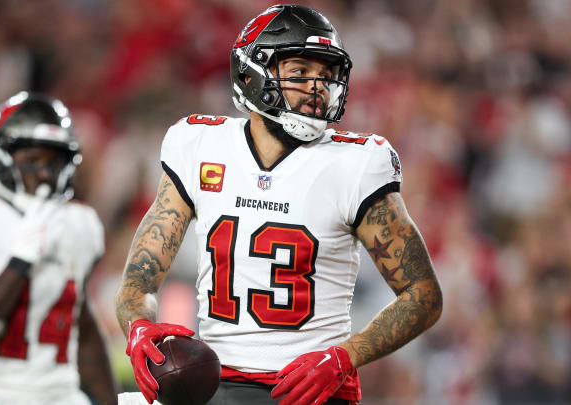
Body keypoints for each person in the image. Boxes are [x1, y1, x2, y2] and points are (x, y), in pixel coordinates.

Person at [115, 4, 442, 405]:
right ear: (253, 74)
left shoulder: (355, 164)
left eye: (326, 75)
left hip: (310, 391)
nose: (317, 88)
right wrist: (137, 326)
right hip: (214, 383)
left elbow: (423, 294)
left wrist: (344, 357)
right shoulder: (199, 145)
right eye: (300, 72)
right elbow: (140, 277)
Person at [0, 92, 118, 405]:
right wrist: (21, 259)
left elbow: (82, 331)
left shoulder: (79, 225)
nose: (43, 174)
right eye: (32, 161)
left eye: (53, 162)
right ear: (2, 157)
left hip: (60, 397)